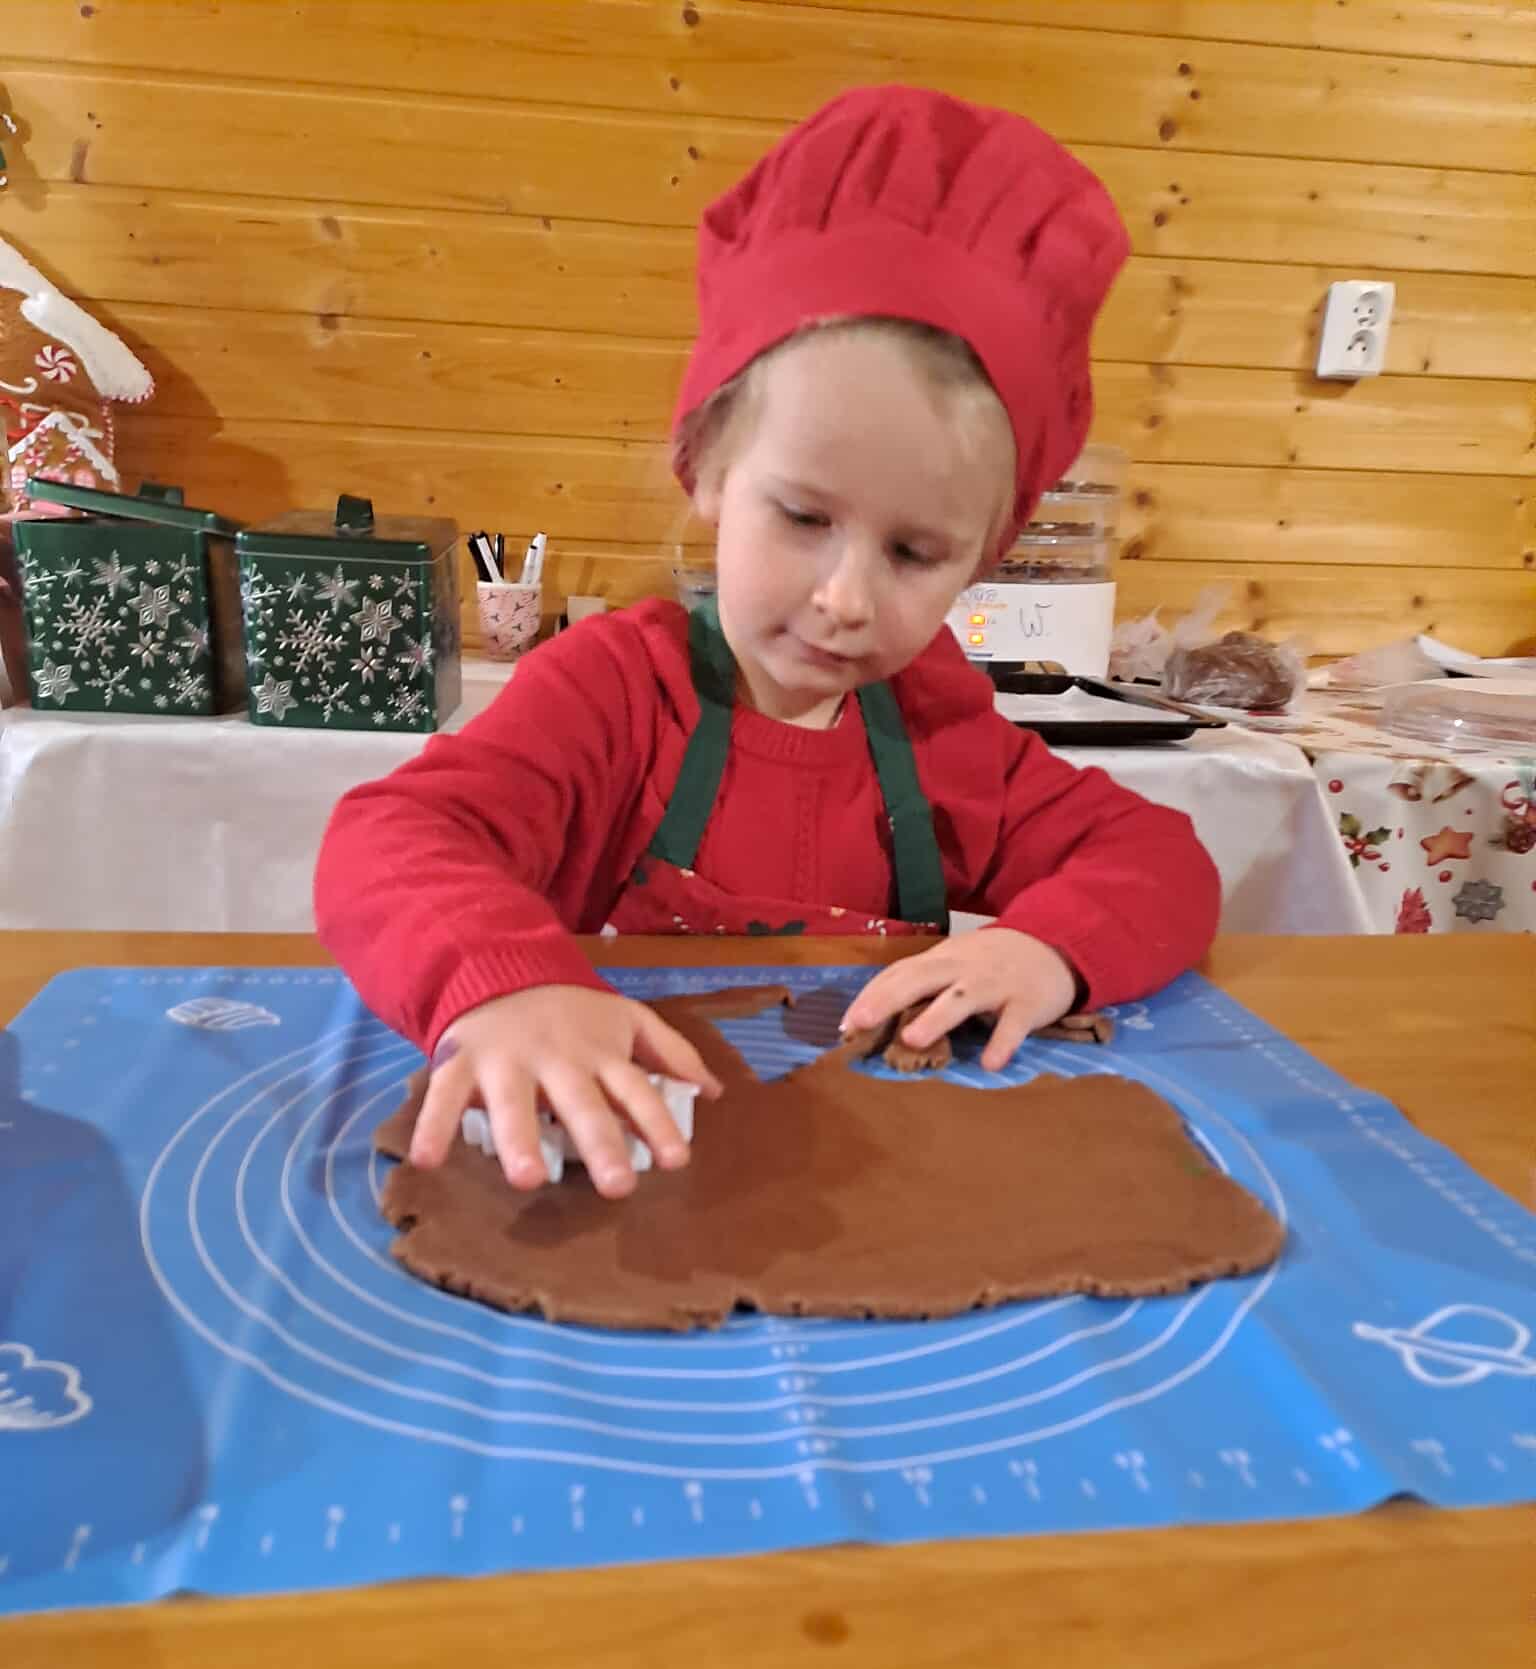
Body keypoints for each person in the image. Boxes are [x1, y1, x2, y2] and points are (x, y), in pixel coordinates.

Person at [315, 85, 1220, 1201]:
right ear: (707, 468)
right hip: (637, 1171)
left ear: (982, 558)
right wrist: (507, 986)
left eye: (915, 552)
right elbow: (394, 837)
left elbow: (1159, 859)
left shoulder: (941, 734)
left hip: (862, 1179)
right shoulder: (616, 693)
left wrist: (1046, 948)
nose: (846, 598)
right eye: (802, 517)